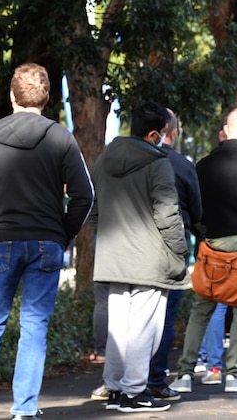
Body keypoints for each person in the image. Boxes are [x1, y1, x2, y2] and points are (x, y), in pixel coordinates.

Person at [0, 63, 94, 420]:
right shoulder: (61, 138)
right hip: (46, 243)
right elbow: (84, 196)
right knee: (35, 326)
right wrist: (61, 234)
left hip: (2, 242)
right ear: (48, 98)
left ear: (10, 96)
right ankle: (23, 410)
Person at [89, 101, 189, 413]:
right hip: (149, 259)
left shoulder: (104, 160)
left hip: (113, 257)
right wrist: (180, 250)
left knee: (119, 328)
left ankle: (117, 389)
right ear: (153, 134)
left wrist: (105, 238)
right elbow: (167, 213)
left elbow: (94, 211)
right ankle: (135, 392)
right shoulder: (157, 162)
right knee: (145, 330)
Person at [170, 107, 237, 394]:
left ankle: (184, 373)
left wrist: (205, 234)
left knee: (202, 307)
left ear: (226, 130)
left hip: (213, 243)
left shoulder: (203, 165)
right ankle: (234, 375)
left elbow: (193, 209)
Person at [146, 109, 203, 399]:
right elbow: (197, 210)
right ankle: (155, 377)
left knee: (133, 316)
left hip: (136, 246)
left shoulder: (132, 161)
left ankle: (127, 380)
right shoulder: (182, 165)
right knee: (165, 318)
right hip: (173, 248)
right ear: (173, 132)